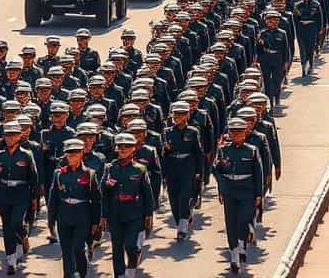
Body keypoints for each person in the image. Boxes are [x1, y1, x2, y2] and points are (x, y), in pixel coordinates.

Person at [213, 117, 264, 273]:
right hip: (229, 190)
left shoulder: (252, 150)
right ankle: (234, 255)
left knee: (244, 218)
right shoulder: (223, 150)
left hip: (246, 190)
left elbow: (258, 173)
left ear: (245, 133)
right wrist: (222, 188)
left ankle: (244, 238)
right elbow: (216, 170)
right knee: (231, 223)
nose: (236, 135)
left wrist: (258, 195)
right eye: (233, 132)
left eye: (239, 132)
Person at [100, 132, 153, 278]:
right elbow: (103, 193)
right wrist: (103, 215)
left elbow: (147, 193)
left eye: (127, 147)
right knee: (117, 247)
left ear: (133, 149)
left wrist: (149, 214)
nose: (123, 149)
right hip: (114, 213)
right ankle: (119, 274)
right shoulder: (109, 168)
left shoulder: (140, 169)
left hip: (134, 213)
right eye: (120, 147)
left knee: (131, 245)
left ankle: (132, 265)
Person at [0, 121, 38, 274]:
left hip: (21, 194)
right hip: (4, 194)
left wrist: (34, 198)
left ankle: (23, 236)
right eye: (7, 135)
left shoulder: (26, 155)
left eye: (13, 135)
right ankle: (11, 260)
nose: (10, 138)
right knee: (7, 227)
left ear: (19, 136)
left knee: (16, 222)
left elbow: (33, 178)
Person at [48, 137, 100, 278]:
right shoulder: (59, 174)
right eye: (69, 153)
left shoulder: (89, 174)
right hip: (64, 215)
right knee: (66, 251)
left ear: (82, 153)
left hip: (82, 215)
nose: (72, 156)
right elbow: (53, 198)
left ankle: (81, 274)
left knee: (78, 248)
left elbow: (96, 200)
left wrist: (96, 222)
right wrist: (51, 219)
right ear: (65, 154)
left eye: (76, 152)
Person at [161, 101, 204, 241]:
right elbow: (163, 155)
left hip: (187, 167)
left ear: (187, 115)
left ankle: (183, 226)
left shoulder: (193, 132)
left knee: (184, 197)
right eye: (175, 114)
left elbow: (198, 153)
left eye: (180, 114)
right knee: (173, 199)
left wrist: (199, 171)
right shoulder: (167, 132)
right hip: (172, 167)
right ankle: (180, 220)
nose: (177, 117)